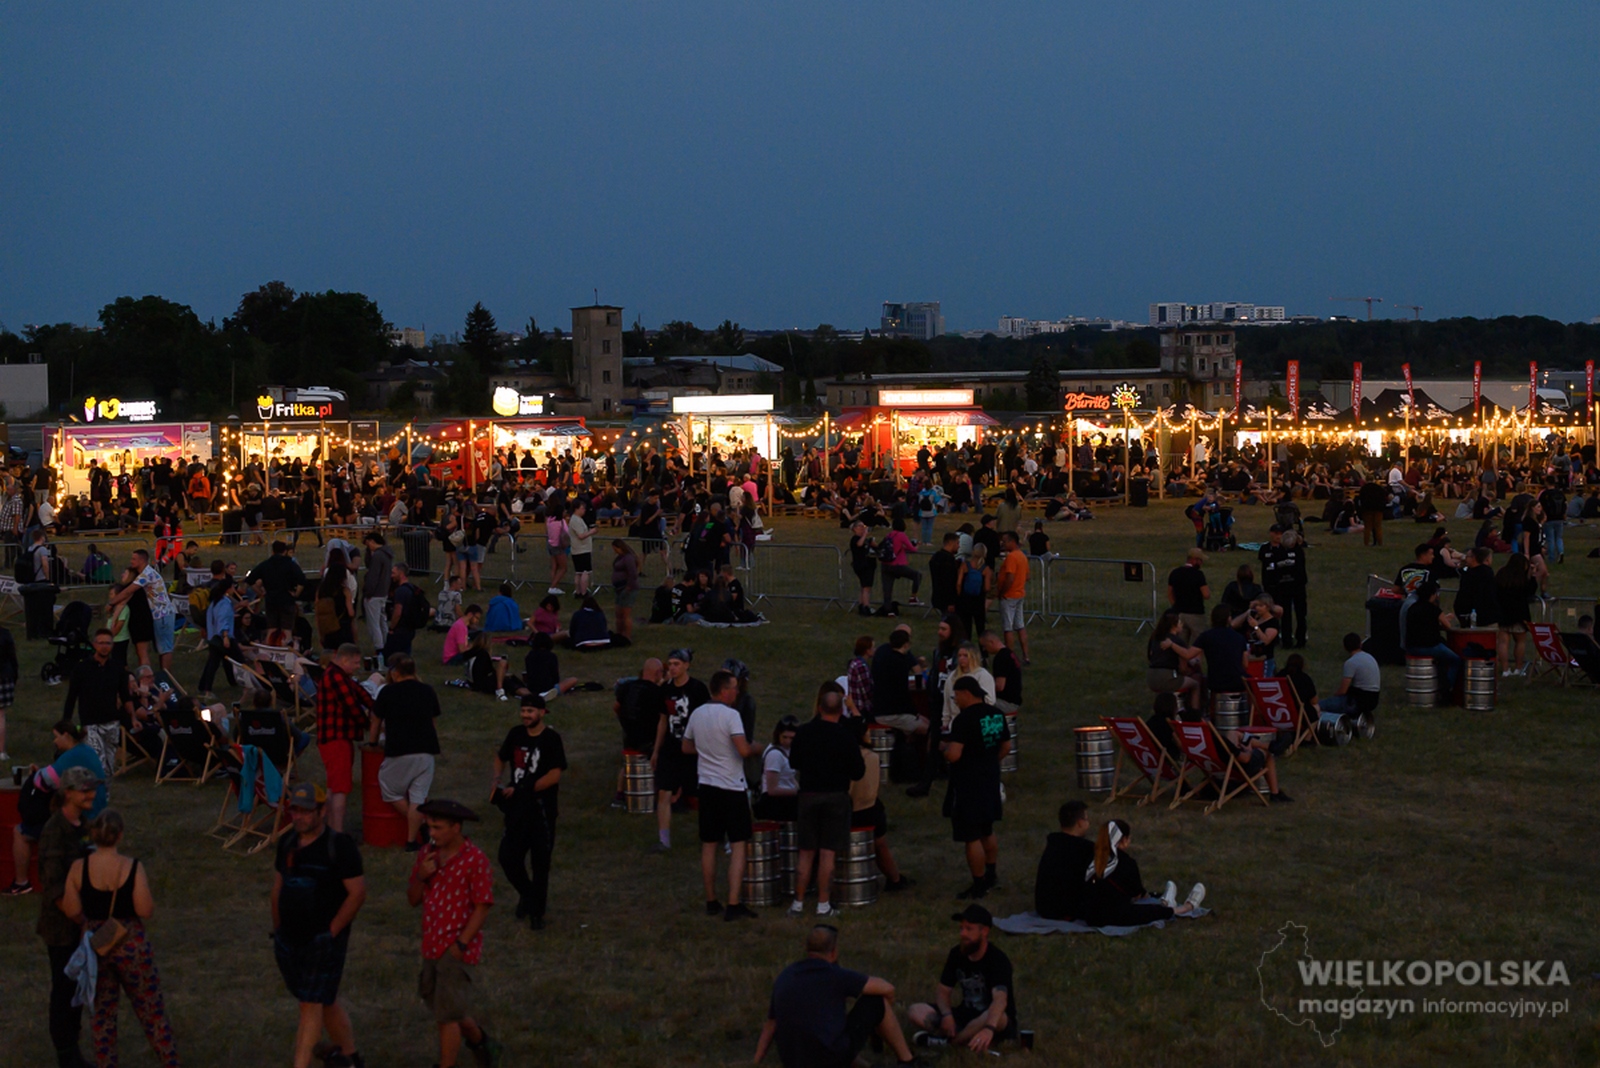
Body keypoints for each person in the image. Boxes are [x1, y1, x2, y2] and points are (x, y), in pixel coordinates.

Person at [271, 783, 367, 1068]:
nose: (299, 817)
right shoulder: (287, 843)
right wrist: (279, 930)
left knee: (310, 1004)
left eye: (305, 811)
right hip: (290, 940)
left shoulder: (339, 847)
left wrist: (332, 932)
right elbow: (278, 888)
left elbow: (357, 894)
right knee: (324, 1000)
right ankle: (351, 1059)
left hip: (323, 941)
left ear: (322, 811)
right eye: (294, 810)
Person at [405, 799, 504, 1068]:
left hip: (456, 947)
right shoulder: (427, 854)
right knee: (445, 1007)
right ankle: (482, 1043)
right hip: (431, 944)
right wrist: (422, 876)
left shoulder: (475, 860)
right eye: (429, 827)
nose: (432, 833)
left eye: (437, 828)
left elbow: (482, 906)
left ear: (456, 828)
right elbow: (412, 899)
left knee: (446, 1017)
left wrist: (461, 944)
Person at [754, 925, 926, 1068]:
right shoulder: (835, 975)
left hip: (793, 1061)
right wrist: (879, 1026)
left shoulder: (786, 975)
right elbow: (887, 989)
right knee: (876, 1002)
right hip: (829, 1059)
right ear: (834, 952)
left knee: (831, 1034)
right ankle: (907, 1061)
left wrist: (756, 1061)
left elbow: (771, 1024)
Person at [682, 669, 760, 921]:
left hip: (707, 786)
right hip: (731, 787)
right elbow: (743, 750)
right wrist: (758, 748)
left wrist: (707, 751)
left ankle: (711, 900)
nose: (737, 692)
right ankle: (734, 902)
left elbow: (686, 746)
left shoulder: (697, 713)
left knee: (709, 844)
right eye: (734, 688)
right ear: (724, 691)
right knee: (738, 844)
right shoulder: (730, 715)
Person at [36, 765, 100, 1068]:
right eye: (85, 790)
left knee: (78, 988)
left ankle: (73, 1047)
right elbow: (54, 887)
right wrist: (79, 920)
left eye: (93, 788)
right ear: (68, 793)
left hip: (83, 923)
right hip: (62, 927)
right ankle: (66, 1054)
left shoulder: (84, 825)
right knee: (64, 989)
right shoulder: (54, 831)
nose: (91, 794)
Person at [787, 682, 865, 918]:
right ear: (841, 710)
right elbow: (858, 772)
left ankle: (798, 903)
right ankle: (823, 905)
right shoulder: (845, 736)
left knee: (805, 852)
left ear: (819, 708)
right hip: (836, 797)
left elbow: (793, 762)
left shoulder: (804, 732)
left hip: (808, 795)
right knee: (827, 853)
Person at [493, 693, 567, 931]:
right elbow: (501, 757)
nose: (526, 715)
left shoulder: (551, 739)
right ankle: (528, 894)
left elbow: (554, 775)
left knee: (540, 863)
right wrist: (496, 781)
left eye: (530, 711)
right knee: (508, 857)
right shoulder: (516, 734)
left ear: (542, 713)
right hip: (516, 810)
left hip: (542, 810)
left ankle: (537, 913)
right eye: (523, 711)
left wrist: (524, 788)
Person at [907, 905, 1018, 1052]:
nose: (963, 934)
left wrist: (989, 1028)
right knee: (915, 1010)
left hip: (993, 1019)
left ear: (984, 931)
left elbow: (1000, 999)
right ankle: (965, 1038)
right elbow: (943, 990)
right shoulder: (956, 954)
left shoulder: (997, 959)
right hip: (965, 1015)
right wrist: (947, 1015)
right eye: (961, 928)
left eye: (969, 929)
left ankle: (951, 1043)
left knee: (991, 1015)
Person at [943, 677, 1010, 900]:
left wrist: (944, 750)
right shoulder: (996, 714)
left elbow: (955, 755)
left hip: (968, 784)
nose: (956, 700)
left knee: (971, 835)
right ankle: (991, 874)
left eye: (956, 696)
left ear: (966, 693)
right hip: (990, 778)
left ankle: (979, 883)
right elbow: (1006, 746)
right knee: (987, 829)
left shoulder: (964, 720)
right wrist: (990, 761)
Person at [1077, 820, 1205, 928]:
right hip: (1112, 915)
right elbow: (1136, 892)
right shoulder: (1127, 863)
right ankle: (1185, 907)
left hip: (1090, 915)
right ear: (1124, 840)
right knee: (1146, 911)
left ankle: (1166, 902)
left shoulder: (1089, 857)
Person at [370, 654, 441, 848]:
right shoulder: (427, 690)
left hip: (400, 750)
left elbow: (375, 720)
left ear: (394, 673)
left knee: (389, 789)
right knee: (418, 796)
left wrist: (372, 743)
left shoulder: (388, 692)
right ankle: (411, 841)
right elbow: (433, 722)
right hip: (426, 751)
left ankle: (423, 825)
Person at [651, 649, 709, 853]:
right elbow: (662, 720)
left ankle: (713, 835)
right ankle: (664, 840)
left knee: (703, 795)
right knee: (664, 793)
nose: (673, 668)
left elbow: (706, 719)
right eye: (670, 664)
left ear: (686, 665)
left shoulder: (697, 689)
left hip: (693, 750)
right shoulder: (665, 689)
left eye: (676, 664)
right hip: (670, 749)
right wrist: (656, 750)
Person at [314, 643, 374, 833]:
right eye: (355, 662)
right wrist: (369, 724)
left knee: (334, 787)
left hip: (335, 738)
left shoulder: (339, 675)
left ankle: (328, 830)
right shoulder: (336, 677)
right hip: (336, 739)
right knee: (340, 789)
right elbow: (352, 705)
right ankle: (337, 833)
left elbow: (360, 693)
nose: (358, 666)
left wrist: (376, 707)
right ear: (345, 659)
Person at [847, 715, 910, 892]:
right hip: (871, 809)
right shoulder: (872, 757)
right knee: (881, 846)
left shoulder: (849, 757)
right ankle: (895, 879)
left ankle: (894, 879)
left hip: (855, 810)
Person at [63, 628, 130, 778]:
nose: (104, 647)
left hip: (112, 722)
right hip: (90, 722)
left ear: (112, 645)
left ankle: (103, 791)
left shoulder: (117, 668)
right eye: (101, 643)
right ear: (94, 645)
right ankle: (95, 788)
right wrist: (66, 722)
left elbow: (125, 696)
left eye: (108, 643)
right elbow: (71, 697)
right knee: (98, 762)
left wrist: (133, 718)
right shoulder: (82, 668)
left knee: (109, 765)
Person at [611, 658, 664, 808]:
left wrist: (623, 720)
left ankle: (619, 795)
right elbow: (663, 717)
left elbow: (616, 707)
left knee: (627, 763)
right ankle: (657, 793)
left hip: (629, 732)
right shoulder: (657, 692)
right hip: (649, 737)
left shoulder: (626, 687)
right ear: (658, 673)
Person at [1034, 800, 1095, 921]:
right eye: (1087, 819)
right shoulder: (1085, 849)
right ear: (1080, 823)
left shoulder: (1053, 844)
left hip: (1044, 907)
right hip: (1067, 910)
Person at [1403, 580, 1461, 693]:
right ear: (1432, 595)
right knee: (1456, 660)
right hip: (1429, 646)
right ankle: (1447, 687)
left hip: (1411, 646)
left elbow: (1422, 624)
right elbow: (1448, 626)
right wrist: (1446, 619)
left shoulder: (1412, 608)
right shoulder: (1434, 609)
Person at [246, 540, 307, 632]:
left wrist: (260, 592)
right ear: (285, 551)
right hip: (286, 599)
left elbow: (250, 580)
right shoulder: (290, 564)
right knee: (286, 630)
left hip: (271, 599)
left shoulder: (265, 564)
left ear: (273, 551)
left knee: (272, 629)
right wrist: (296, 594)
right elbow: (302, 580)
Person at [1146, 613, 1202, 713]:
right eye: (1180, 622)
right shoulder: (1177, 641)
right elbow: (1183, 669)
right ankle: (1194, 714)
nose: (1182, 625)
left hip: (1151, 677)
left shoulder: (1155, 638)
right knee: (1195, 685)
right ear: (1174, 625)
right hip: (1167, 677)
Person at [1494, 553, 1538, 677]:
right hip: (1520, 614)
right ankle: (1518, 668)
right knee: (1520, 642)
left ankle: (1505, 669)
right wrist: (1533, 575)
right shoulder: (1522, 578)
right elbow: (1531, 591)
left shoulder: (1502, 574)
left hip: (1503, 613)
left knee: (1503, 643)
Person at [1194, 604, 1249, 699]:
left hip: (1215, 681)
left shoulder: (1206, 636)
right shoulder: (1239, 637)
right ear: (1228, 619)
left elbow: (1189, 654)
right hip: (1237, 681)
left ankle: (1207, 705)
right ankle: (1252, 707)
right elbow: (1245, 664)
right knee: (1252, 683)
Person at [994, 530, 1031, 664]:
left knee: (1008, 628)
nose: (1002, 544)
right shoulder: (1022, 556)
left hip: (1009, 596)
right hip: (1019, 594)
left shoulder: (1011, 557)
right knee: (1020, 626)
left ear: (1012, 541)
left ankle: (1010, 658)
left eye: (1005, 541)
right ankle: (1026, 655)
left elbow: (1010, 577)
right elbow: (1027, 576)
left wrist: (1002, 592)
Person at [755, 716, 801, 822]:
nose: (788, 741)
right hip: (775, 802)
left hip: (787, 798)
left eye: (792, 738)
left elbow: (790, 777)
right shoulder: (775, 755)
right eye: (785, 737)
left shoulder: (789, 751)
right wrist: (798, 792)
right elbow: (772, 790)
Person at [361, 532, 393, 656]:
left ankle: (379, 648)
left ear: (372, 541)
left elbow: (373, 576)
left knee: (374, 624)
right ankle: (386, 645)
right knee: (382, 621)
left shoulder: (377, 556)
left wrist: (368, 592)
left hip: (374, 594)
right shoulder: (387, 555)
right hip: (383, 593)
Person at [1166, 548, 1210, 640]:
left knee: (1180, 642)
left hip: (1179, 613)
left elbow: (1169, 593)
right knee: (1199, 642)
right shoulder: (1198, 574)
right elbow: (1206, 595)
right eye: (1200, 560)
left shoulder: (1175, 573)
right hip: (1195, 614)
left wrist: (1176, 606)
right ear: (1194, 560)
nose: (1201, 563)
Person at [878, 519, 923, 607]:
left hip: (886, 564)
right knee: (917, 575)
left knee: (887, 590)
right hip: (897, 565)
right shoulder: (901, 535)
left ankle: (887, 608)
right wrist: (917, 545)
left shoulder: (889, 535)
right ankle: (913, 597)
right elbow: (912, 549)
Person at [979, 630, 1022, 716]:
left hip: (1005, 703)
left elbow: (999, 686)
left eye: (984, 646)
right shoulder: (1010, 653)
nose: (984, 649)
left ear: (991, 642)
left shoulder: (1001, 658)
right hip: (1015, 700)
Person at [1453, 546, 1498, 627]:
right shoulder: (1469, 572)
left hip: (1480, 614)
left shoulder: (1483, 573)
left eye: (1468, 556)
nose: (1466, 559)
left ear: (1474, 558)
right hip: (1468, 613)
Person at [954, 545, 990, 639]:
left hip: (965, 600)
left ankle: (966, 646)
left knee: (966, 627)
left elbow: (958, 583)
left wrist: (959, 596)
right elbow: (987, 588)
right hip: (978, 601)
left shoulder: (965, 565)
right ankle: (983, 646)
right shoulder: (986, 569)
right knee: (980, 627)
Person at [610, 540, 640, 641]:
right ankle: (619, 634)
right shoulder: (620, 557)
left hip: (627, 588)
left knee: (625, 614)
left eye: (615, 548)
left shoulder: (628, 558)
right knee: (618, 613)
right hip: (618, 589)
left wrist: (629, 587)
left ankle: (627, 636)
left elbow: (633, 574)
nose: (614, 550)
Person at [926, 532, 962, 616]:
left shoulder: (936, 557)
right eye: (957, 543)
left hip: (938, 596)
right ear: (951, 543)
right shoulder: (947, 560)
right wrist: (951, 602)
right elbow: (948, 582)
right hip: (947, 600)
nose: (959, 546)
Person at [567, 499, 594, 597]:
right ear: (576, 509)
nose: (584, 510)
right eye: (582, 508)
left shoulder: (575, 519)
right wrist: (591, 532)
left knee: (578, 572)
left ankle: (578, 591)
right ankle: (583, 592)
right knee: (585, 572)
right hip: (582, 550)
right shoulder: (576, 520)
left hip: (577, 549)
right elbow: (581, 535)